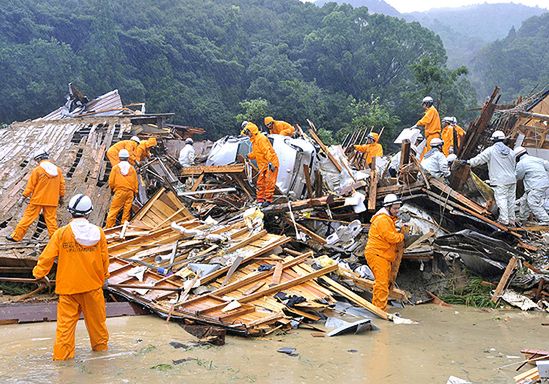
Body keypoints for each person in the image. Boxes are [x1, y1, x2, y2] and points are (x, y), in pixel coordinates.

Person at [32, 194, 109, 360]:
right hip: (93, 289)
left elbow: (46, 257)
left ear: (70, 212)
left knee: (64, 331)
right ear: (88, 213)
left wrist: (39, 274)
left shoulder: (61, 233)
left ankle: (62, 365)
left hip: (68, 290)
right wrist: (104, 278)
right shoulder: (99, 233)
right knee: (98, 328)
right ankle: (101, 359)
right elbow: (104, 260)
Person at [7, 150, 65, 242]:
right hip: (52, 200)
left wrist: (23, 197)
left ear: (39, 158)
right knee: (51, 221)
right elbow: (62, 185)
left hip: (37, 199)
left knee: (27, 218)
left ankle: (16, 236)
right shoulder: (58, 170)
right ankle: (55, 241)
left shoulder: (37, 170)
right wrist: (61, 197)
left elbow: (30, 186)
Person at [463, 130, 516, 226]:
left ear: (493, 140)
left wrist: (468, 162)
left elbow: (479, 159)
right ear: (503, 140)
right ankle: (512, 220)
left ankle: (504, 220)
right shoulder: (511, 152)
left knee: (501, 199)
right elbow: (513, 166)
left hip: (500, 181)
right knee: (511, 200)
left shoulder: (491, 150)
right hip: (512, 180)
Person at [364, 194, 405, 311]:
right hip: (377, 254)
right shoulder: (383, 219)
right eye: (395, 208)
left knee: (382, 283)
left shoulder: (387, 219)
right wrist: (402, 235)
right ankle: (380, 310)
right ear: (388, 207)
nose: (397, 211)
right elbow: (391, 237)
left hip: (382, 254)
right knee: (381, 284)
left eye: (398, 208)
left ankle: (377, 308)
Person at [241, 121, 279, 207]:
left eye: (248, 132)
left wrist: (271, 163)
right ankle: (260, 200)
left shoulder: (261, 138)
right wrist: (249, 156)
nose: (247, 134)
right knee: (260, 183)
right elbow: (257, 153)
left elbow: (267, 151)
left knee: (269, 182)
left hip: (270, 163)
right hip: (263, 165)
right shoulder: (255, 141)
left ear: (252, 130)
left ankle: (268, 201)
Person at [514, 146, 549, 225]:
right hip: (542, 183)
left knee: (532, 202)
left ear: (517, 157)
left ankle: (546, 220)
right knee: (524, 200)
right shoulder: (536, 159)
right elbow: (547, 165)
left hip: (535, 185)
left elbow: (518, 176)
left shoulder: (521, 163)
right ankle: (522, 218)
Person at [105, 149, 138, 228]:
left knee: (113, 211)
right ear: (127, 158)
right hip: (130, 193)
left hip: (119, 192)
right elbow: (135, 182)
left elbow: (111, 181)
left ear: (119, 158)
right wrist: (135, 192)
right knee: (126, 212)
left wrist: (112, 190)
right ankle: (123, 227)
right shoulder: (132, 169)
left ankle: (109, 228)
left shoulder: (116, 168)